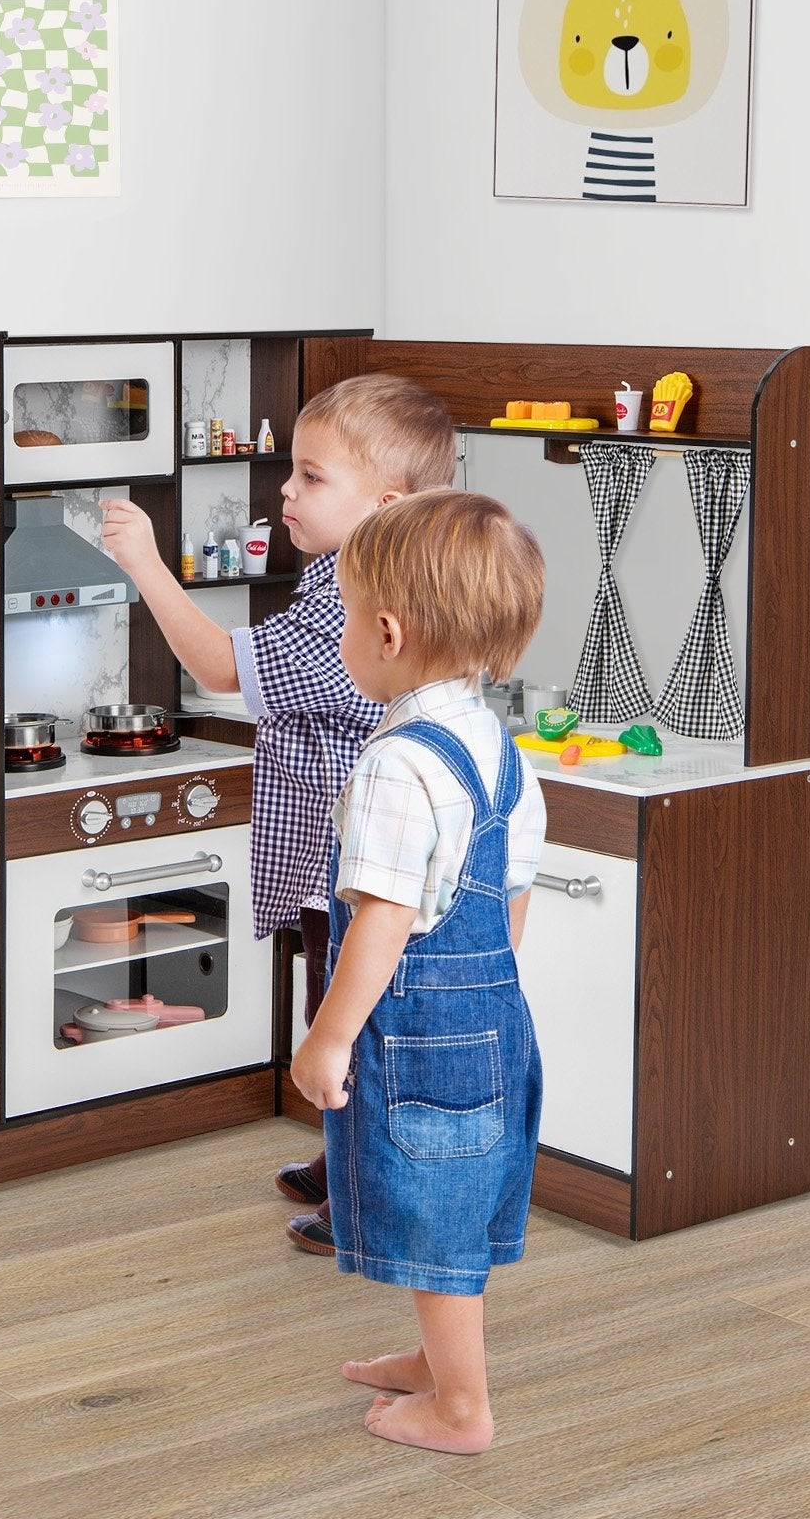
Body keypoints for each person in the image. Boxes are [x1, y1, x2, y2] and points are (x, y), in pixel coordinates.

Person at [99, 374, 457, 1252]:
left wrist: (146, 561)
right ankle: (345, 1165)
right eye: (290, 472)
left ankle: (362, 1202)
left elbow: (222, 668)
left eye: (310, 477)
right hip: (323, 859)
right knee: (332, 1017)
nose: (286, 492)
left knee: (354, 1032)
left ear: (386, 504)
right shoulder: (343, 576)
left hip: (353, 866)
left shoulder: (353, 597)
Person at [290, 488, 547, 1454]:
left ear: (388, 632)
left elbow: (384, 916)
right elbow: (515, 888)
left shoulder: (398, 763)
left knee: (433, 1218)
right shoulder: (497, 745)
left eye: (349, 618)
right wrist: (482, 992)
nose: (344, 636)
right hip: (492, 1009)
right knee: (445, 1195)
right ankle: (440, 1365)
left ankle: (462, 1409)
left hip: (417, 1023)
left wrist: (331, 1034)